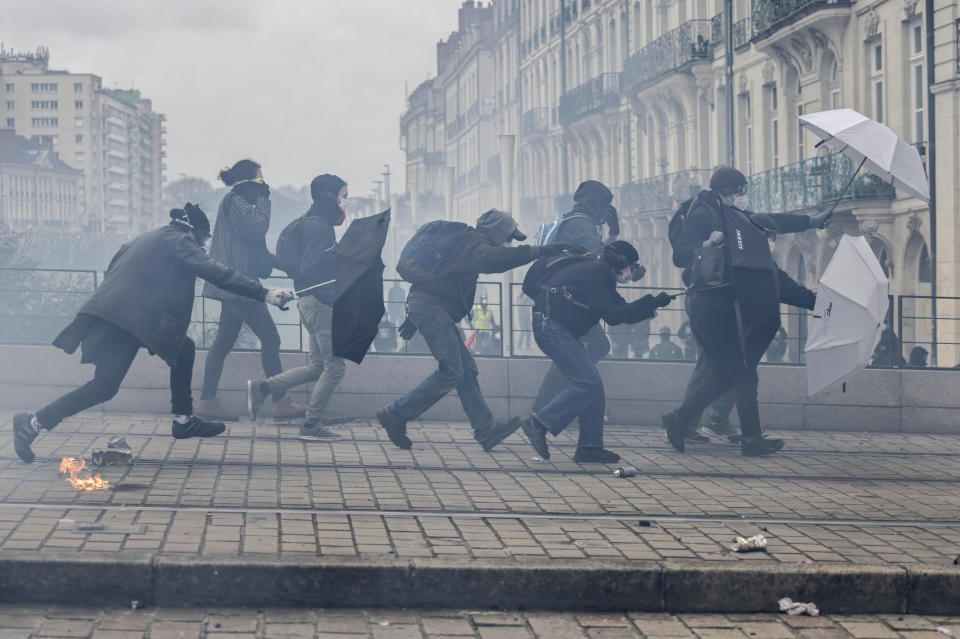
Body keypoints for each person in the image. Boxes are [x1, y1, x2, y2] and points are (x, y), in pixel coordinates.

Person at [12, 204, 294, 463]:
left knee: (175, 353)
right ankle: (182, 421)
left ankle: (33, 423)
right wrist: (264, 293)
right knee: (109, 385)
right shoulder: (177, 241)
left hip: (122, 318)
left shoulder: (147, 238)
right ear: (193, 232)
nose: (204, 247)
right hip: (125, 321)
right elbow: (214, 271)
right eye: (204, 240)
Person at [377, 209, 567, 451]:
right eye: (508, 237)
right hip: (432, 309)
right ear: (498, 233)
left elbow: (440, 278)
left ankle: (486, 430)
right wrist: (538, 251)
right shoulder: (474, 243)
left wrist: (416, 315)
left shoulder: (463, 241)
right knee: (452, 371)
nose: (508, 243)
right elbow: (494, 259)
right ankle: (396, 414)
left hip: (430, 308)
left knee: (466, 370)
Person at [663, 166, 819, 457]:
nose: (744, 197)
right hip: (711, 304)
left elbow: (773, 224)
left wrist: (811, 220)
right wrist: (707, 243)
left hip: (722, 306)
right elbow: (681, 255)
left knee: (731, 373)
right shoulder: (707, 214)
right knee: (739, 373)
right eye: (742, 191)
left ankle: (684, 420)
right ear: (730, 192)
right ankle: (740, 436)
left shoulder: (736, 219)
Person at [518, 241, 674, 463]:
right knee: (587, 382)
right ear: (620, 263)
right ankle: (539, 423)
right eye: (630, 266)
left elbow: (622, 311)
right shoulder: (595, 273)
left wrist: (654, 303)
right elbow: (612, 315)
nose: (631, 271)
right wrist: (652, 303)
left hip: (558, 328)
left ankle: (589, 447)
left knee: (594, 386)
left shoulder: (601, 275)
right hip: (551, 327)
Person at [197, 159, 304, 422]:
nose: (263, 184)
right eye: (259, 179)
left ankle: (207, 401)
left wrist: (287, 266)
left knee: (222, 343)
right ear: (247, 181)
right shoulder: (235, 203)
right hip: (238, 286)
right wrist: (265, 201)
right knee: (271, 338)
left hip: (234, 284)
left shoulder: (239, 203)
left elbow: (254, 248)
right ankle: (280, 402)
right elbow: (257, 228)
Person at [247, 174, 350, 440]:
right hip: (321, 302)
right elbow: (311, 267)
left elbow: (290, 263)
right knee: (335, 367)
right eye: (343, 196)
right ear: (331, 197)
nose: (345, 203)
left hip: (306, 301)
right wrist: (332, 292)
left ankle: (262, 389)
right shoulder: (321, 229)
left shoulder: (304, 223)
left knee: (317, 366)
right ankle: (312, 424)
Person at [532, 180, 620, 416]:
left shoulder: (575, 221)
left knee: (572, 353)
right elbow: (602, 258)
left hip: (564, 298)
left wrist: (612, 233)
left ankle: (547, 404)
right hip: (567, 301)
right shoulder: (581, 225)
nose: (607, 211)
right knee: (595, 347)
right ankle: (549, 405)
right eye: (605, 206)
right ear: (596, 204)